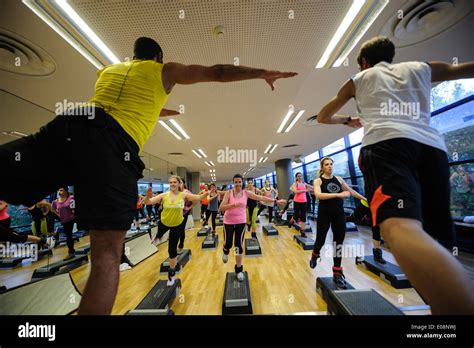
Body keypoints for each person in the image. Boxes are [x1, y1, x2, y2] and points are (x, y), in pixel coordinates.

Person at [0, 36, 297, 314]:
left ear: (133, 56)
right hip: (111, 146)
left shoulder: (109, 70)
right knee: (106, 254)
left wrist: (159, 109)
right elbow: (217, 71)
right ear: (158, 57)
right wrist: (263, 73)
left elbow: (123, 103)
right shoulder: (163, 70)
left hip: (71, 123)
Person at [316, 35, 474, 313]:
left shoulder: (358, 79)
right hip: (432, 149)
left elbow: (323, 116)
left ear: (364, 62)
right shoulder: (421, 67)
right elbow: (461, 69)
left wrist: (347, 120)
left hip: (386, 146)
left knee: (398, 226)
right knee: (439, 237)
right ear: (390, 56)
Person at [309, 157, 366, 289]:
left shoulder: (339, 179)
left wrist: (365, 199)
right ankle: (315, 254)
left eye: (331, 164)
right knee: (321, 240)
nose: (329, 166)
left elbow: (350, 192)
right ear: (322, 167)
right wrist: (338, 195)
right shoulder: (318, 180)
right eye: (326, 164)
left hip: (339, 214)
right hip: (324, 214)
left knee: (338, 243)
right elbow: (318, 195)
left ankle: (337, 272)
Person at [147, 175, 208, 286]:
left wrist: (206, 192)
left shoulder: (184, 195)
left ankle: (171, 274)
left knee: (172, 249)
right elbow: (148, 202)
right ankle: (157, 237)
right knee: (159, 235)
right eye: (170, 182)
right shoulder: (164, 195)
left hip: (177, 224)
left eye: (175, 182)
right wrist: (147, 196)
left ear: (179, 183)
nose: (172, 184)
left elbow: (198, 198)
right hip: (164, 222)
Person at [219, 174, 279, 281]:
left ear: (242, 183)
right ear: (233, 182)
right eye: (236, 182)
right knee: (228, 243)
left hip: (240, 222)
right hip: (228, 221)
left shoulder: (246, 193)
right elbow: (221, 208)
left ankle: (238, 269)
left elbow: (260, 197)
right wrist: (233, 205)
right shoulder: (229, 193)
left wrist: (274, 201)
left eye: (239, 182)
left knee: (238, 245)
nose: (238, 184)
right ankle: (225, 250)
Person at [52, 187, 76, 260]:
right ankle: (72, 251)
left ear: (66, 191)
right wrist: (58, 214)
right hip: (63, 220)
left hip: (71, 219)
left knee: (69, 236)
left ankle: (71, 252)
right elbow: (53, 209)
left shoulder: (71, 198)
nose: (59, 192)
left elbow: (74, 209)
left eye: (61, 190)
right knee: (68, 235)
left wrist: (73, 212)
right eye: (59, 190)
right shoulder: (55, 201)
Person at [289, 172, 313, 237]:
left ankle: (302, 231)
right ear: (296, 177)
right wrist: (305, 190)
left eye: (300, 176)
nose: (300, 177)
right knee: (296, 215)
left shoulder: (304, 183)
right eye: (298, 176)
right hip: (297, 201)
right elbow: (296, 191)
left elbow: (312, 187)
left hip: (304, 202)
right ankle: (291, 221)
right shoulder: (295, 184)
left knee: (303, 216)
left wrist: (315, 187)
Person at [177, 178, 196, 254]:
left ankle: (181, 246)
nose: (179, 184)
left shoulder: (187, 192)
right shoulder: (176, 192)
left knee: (181, 229)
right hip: (177, 213)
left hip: (184, 213)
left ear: (183, 183)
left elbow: (195, 200)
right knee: (176, 229)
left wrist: (189, 207)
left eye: (180, 182)